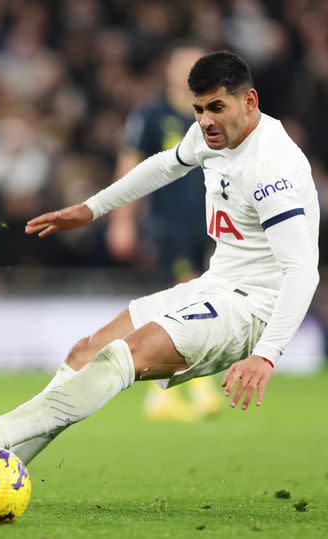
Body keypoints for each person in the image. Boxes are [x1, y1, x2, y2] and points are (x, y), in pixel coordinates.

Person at [0, 51, 320, 474]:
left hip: (251, 308)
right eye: (199, 109)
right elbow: (165, 165)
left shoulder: (270, 168)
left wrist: (266, 354)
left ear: (250, 101)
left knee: (124, 354)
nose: (205, 121)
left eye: (216, 108)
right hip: (215, 286)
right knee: (86, 351)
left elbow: (302, 272)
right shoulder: (212, 137)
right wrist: (91, 209)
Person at [109, 44, 222, 423]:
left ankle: (162, 395)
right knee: (189, 296)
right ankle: (195, 388)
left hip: (212, 223)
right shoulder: (152, 114)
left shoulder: (217, 116)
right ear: (170, 71)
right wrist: (121, 221)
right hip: (167, 222)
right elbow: (130, 165)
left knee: (196, 301)